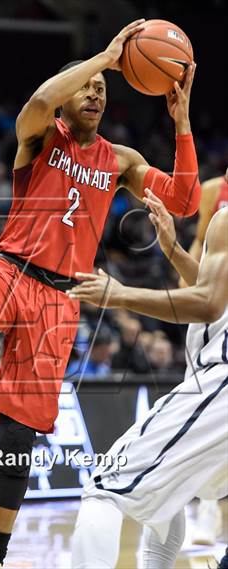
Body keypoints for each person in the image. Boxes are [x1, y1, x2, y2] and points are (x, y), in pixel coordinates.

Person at [0, 20, 201, 568]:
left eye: (103, 90)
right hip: (11, 267)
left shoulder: (120, 160)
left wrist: (181, 122)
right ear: (69, 95)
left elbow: (184, 200)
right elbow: (41, 100)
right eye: (86, 86)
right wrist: (105, 59)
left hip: (60, 300)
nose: (95, 92)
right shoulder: (42, 135)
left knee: (20, 436)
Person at [69, 190, 227, 569]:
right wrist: (172, 249)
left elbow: (208, 303)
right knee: (166, 495)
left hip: (220, 383)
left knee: (105, 487)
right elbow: (216, 291)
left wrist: (121, 295)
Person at [179, 168, 228, 545]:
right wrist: (188, 281)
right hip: (216, 306)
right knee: (202, 415)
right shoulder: (214, 191)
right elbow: (200, 242)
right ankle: (208, 513)